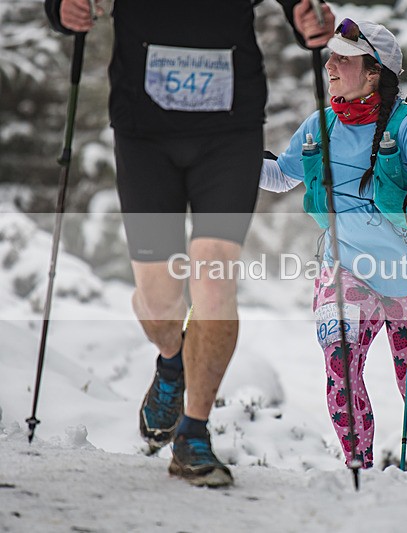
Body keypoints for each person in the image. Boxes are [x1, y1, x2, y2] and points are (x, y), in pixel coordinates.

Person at [44, 0, 335, 487]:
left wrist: (305, 14)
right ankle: (172, 363)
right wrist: (62, 10)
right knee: (160, 302)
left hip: (229, 132)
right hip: (146, 135)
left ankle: (193, 434)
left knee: (214, 273)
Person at [259, 19, 407, 483]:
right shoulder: (318, 126)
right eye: (330, 56)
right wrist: (229, 154)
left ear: (374, 72)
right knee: (342, 366)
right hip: (346, 267)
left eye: (343, 58)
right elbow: (280, 175)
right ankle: (358, 478)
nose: (330, 64)